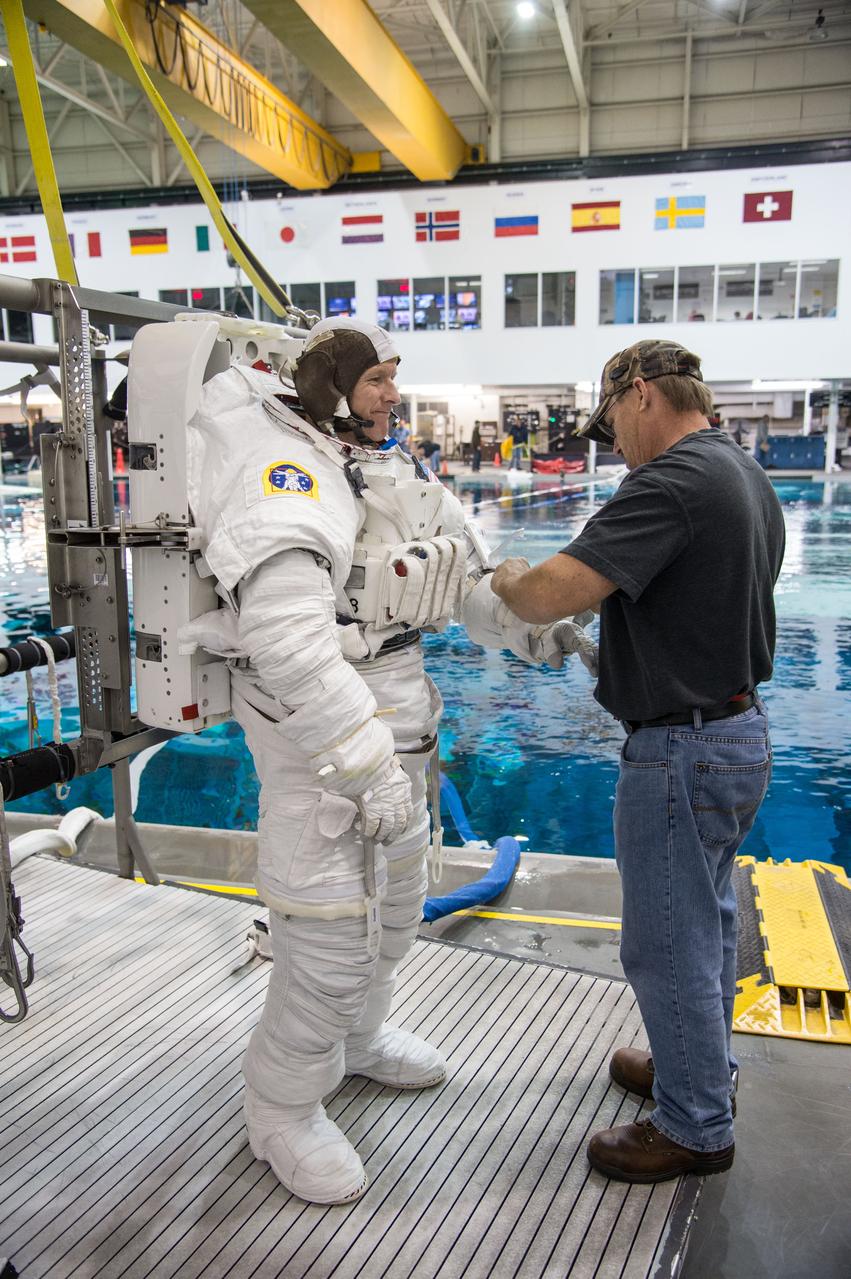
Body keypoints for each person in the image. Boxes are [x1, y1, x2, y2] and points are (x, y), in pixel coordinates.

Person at [180, 317, 595, 1205]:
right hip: (323, 751)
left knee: (397, 914)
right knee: (328, 942)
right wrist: (363, 762)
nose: (392, 395)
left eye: (393, 378)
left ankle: (359, 1042)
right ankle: (281, 1106)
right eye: (378, 380)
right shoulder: (283, 474)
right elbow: (288, 638)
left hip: (399, 726)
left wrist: (531, 629)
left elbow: (458, 577)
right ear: (333, 388)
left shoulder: (381, 467)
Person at [490, 339, 785, 1185]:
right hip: (734, 730)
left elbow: (547, 592)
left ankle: (694, 1126)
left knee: (666, 942)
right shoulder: (742, 471)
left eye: (612, 420)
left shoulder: (671, 480)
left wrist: (506, 579)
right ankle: (699, 1067)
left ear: (642, 393)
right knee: (707, 923)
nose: (613, 441)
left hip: (681, 750)